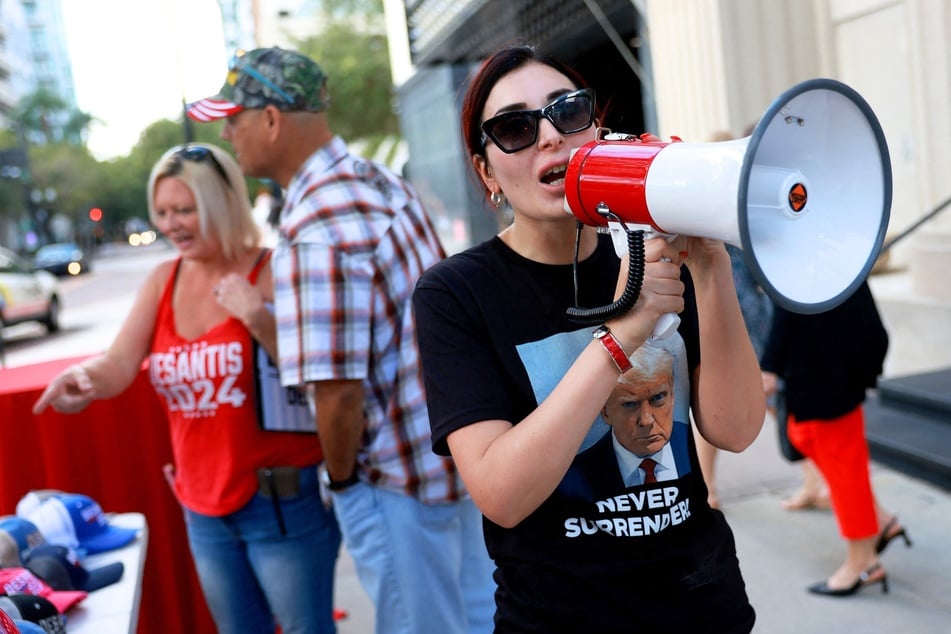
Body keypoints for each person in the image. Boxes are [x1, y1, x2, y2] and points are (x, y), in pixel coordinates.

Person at [413, 45, 766, 631]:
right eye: (516, 128)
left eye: (567, 111)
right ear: (486, 172)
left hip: (706, 609)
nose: (549, 135)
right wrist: (622, 334)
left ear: (597, 130)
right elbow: (502, 493)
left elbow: (736, 428)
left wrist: (711, 266)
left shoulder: (654, 249)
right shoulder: (455, 293)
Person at [185, 48, 495, 633]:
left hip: (394, 480)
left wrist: (345, 483)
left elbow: (336, 393)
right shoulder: (373, 180)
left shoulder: (315, 226)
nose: (228, 133)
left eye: (234, 118)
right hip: (450, 459)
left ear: (272, 119)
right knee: (478, 618)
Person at [31, 143, 342, 634]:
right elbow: (119, 363)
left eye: (185, 209)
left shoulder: (272, 269)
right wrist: (86, 380)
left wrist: (257, 318)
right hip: (201, 506)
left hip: (280, 504)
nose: (171, 223)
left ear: (221, 203)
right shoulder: (164, 279)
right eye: (163, 212)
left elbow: (320, 373)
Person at [760, 279, 910, 596]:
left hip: (828, 365)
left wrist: (770, 365)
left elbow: (790, 304)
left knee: (842, 463)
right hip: (823, 358)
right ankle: (881, 521)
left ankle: (863, 562)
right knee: (806, 437)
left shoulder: (815, 248)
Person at [597, 345, 692, 485]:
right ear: (605, 412)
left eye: (658, 397)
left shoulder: (694, 445)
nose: (646, 420)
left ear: (672, 395)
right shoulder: (581, 472)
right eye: (630, 404)